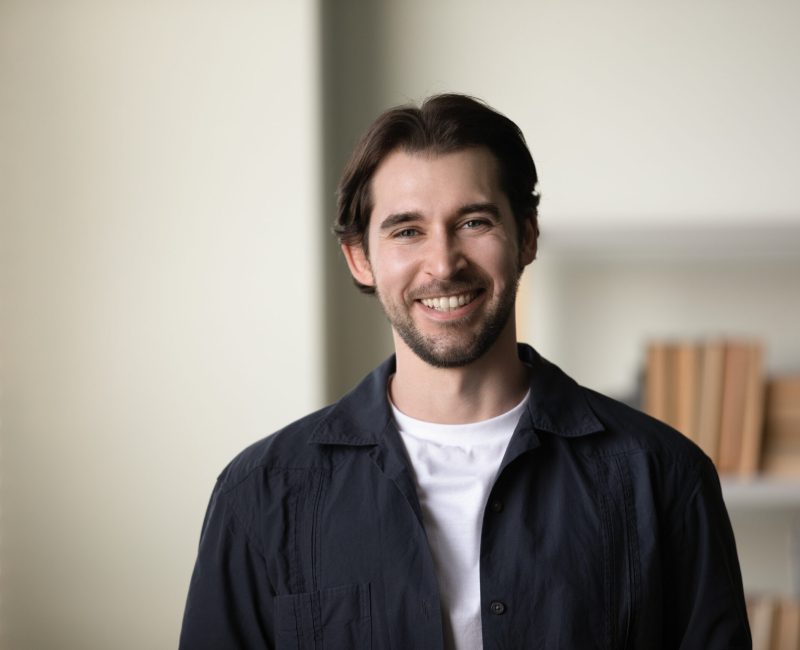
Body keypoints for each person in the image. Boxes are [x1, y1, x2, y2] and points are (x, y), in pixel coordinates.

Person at [180, 94, 751, 649]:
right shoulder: (260, 491)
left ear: (526, 236)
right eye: (407, 231)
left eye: (474, 222)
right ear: (360, 258)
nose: (443, 263)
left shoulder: (664, 477)